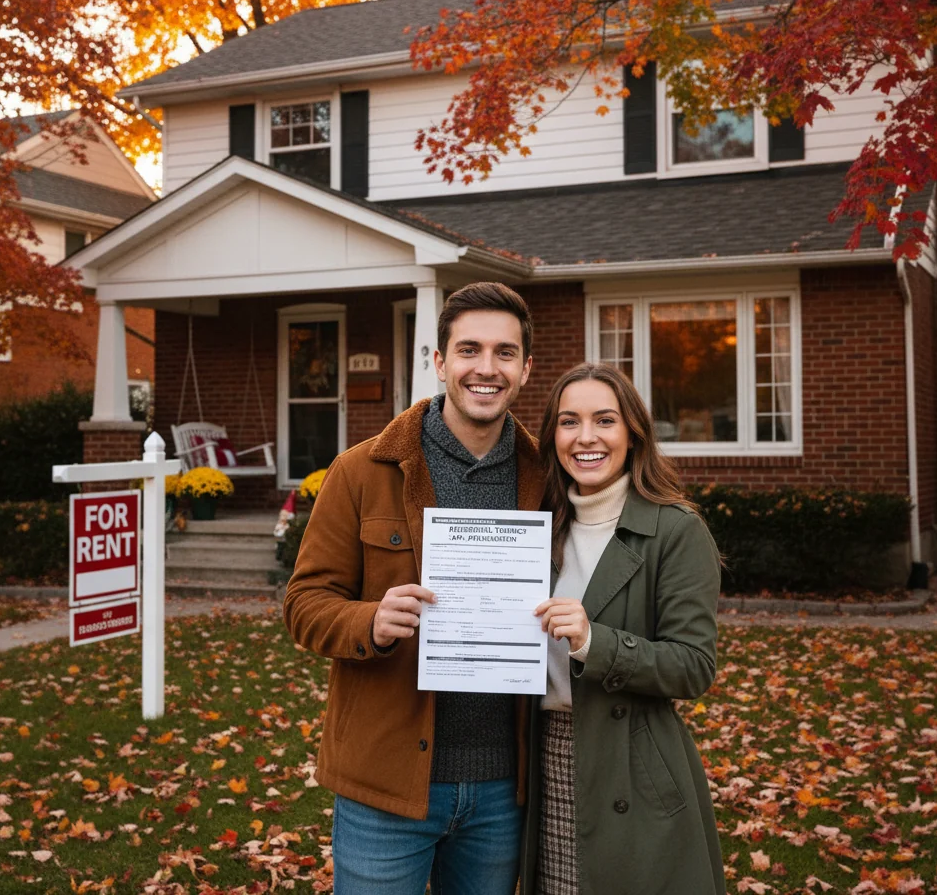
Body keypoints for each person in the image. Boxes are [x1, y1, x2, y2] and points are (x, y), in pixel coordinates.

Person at [283, 281, 544, 895]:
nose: (487, 368)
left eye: (505, 353)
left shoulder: (546, 478)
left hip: (503, 790)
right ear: (439, 361)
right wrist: (369, 622)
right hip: (386, 784)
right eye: (470, 349)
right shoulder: (361, 471)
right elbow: (303, 604)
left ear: (526, 369)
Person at [523, 362, 726, 895]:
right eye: (569, 422)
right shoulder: (534, 526)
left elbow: (694, 666)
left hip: (631, 761)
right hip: (541, 755)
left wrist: (596, 643)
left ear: (633, 432)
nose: (585, 437)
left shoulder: (675, 529)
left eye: (604, 420)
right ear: (553, 437)